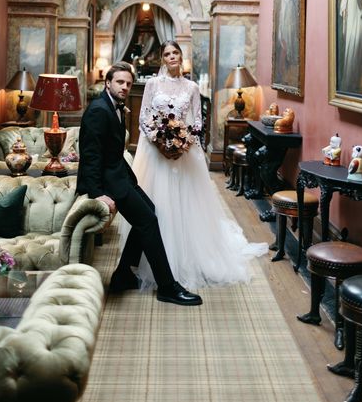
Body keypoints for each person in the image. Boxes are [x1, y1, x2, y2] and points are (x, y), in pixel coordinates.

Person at [120, 41, 268, 291]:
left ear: (181, 56)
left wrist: (182, 143)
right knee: (154, 202)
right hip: (155, 153)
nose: (171, 57)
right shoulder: (153, 85)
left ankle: (187, 254)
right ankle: (152, 256)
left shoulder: (191, 87)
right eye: (167, 54)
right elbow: (143, 117)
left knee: (184, 202)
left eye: (175, 53)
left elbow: (198, 122)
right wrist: (158, 141)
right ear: (163, 60)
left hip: (183, 153)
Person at [76, 61, 202, 306]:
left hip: (120, 177)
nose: (124, 87)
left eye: (128, 84)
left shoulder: (115, 106)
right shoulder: (98, 110)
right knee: (149, 220)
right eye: (119, 82)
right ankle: (167, 286)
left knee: (149, 212)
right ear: (108, 83)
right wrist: (97, 193)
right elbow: (90, 155)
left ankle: (123, 274)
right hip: (109, 183)